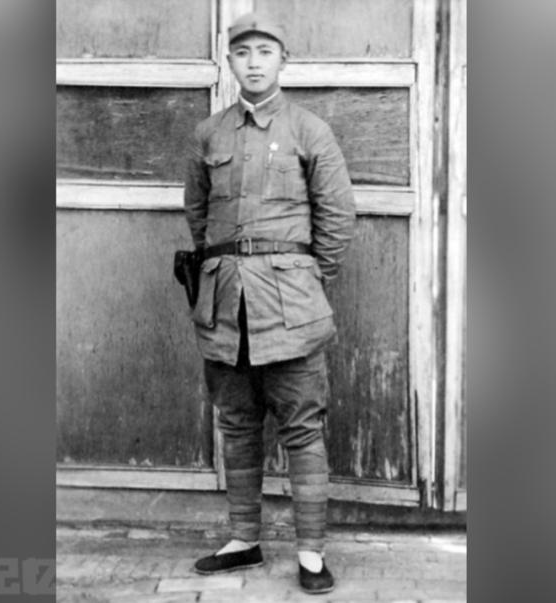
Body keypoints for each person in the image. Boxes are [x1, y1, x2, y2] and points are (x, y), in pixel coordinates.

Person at [181, 11, 356, 596]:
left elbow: (337, 218)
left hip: (291, 308)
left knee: (302, 426)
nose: (253, 63)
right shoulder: (209, 134)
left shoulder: (309, 130)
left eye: (264, 51)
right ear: (229, 61)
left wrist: (305, 279)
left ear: (284, 60)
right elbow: (198, 216)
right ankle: (243, 540)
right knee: (236, 423)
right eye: (242, 52)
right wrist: (222, 270)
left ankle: (311, 553)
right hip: (226, 306)